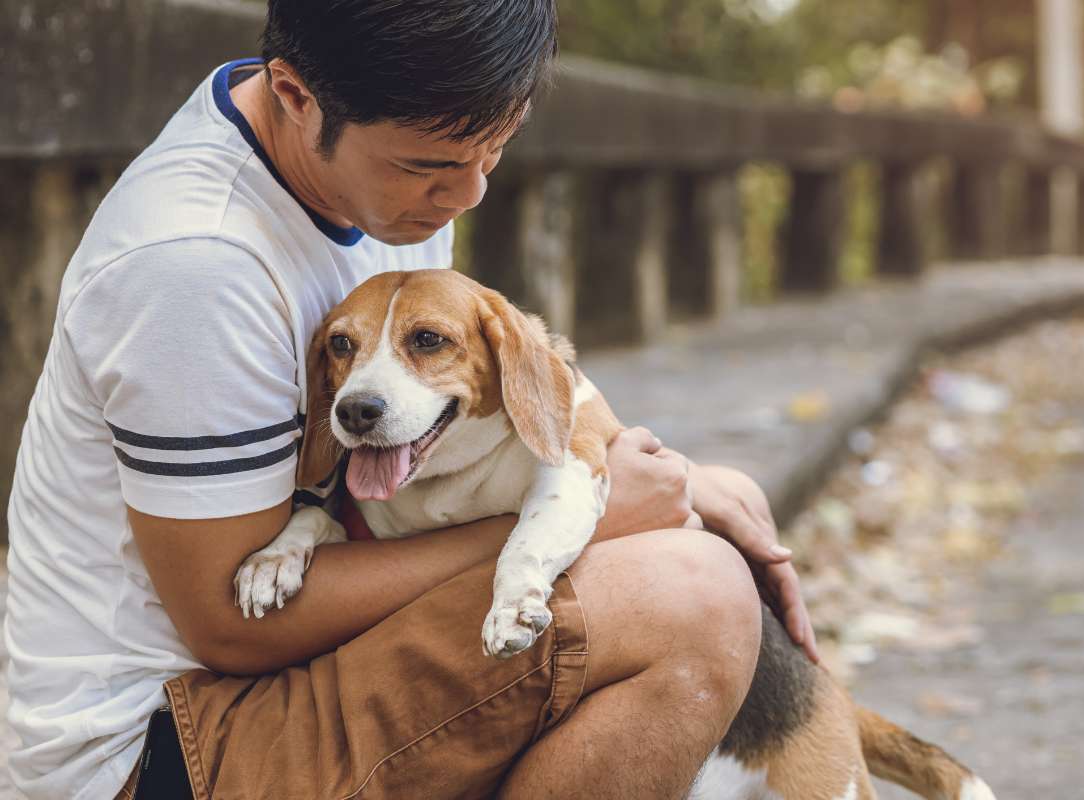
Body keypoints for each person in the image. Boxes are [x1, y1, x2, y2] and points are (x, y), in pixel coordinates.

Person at [4, 1, 818, 798]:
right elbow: (227, 623)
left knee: (714, 499)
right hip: (158, 741)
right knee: (693, 598)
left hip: (280, 659)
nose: (466, 195)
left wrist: (628, 476)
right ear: (294, 95)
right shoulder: (196, 265)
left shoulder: (378, 169)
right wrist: (590, 520)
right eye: (426, 168)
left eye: (493, 150)